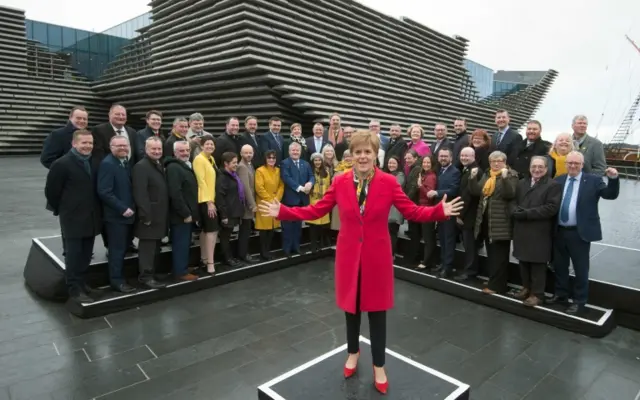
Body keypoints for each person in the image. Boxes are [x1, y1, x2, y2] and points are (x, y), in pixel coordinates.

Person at [258, 130, 463, 394]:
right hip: (348, 257)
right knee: (351, 311)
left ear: (375, 154)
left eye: (367, 151)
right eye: (358, 152)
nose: (363, 156)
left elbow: (411, 211)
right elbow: (317, 209)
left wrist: (438, 211)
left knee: (377, 314)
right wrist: (284, 211)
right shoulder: (341, 181)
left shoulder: (389, 182)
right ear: (352, 155)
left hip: (377, 258)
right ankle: (352, 353)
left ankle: (379, 365)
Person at [550, 151, 619, 315]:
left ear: (582, 165)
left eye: (577, 163)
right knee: (560, 266)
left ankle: (579, 301)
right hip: (559, 231)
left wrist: (614, 179)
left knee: (581, 269)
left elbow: (610, 195)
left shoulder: (594, 181)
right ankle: (561, 295)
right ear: (566, 164)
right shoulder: (558, 180)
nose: (573, 166)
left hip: (579, 234)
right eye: (570, 163)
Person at [45, 129, 101, 303]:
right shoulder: (61, 164)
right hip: (72, 219)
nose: (87, 146)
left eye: (90, 143)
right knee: (73, 256)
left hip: (90, 217)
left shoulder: (94, 162)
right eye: (84, 143)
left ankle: (83, 283)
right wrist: (65, 209)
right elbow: (52, 192)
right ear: (74, 143)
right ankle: (74, 289)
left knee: (86, 254)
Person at [512, 156, 562, 306]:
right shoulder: (521, 183)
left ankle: (537, 294)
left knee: (538, 264)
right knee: (523, 260)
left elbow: (551, 208)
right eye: (534, 166)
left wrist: (526, 213)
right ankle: (526, 288)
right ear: (529, 168)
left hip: (539, 230)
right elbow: (513, 201)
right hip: (521, 228)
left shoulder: (553, 186)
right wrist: (514, 211)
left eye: (540, 167)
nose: (537, 169)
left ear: (546, 169)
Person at [468, 150, 519, 294]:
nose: (496, 164)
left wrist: (504, 179)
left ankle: (497, 286)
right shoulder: (487, 174)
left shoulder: (511, 174)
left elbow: (509, 194)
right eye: (493, 161)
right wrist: (472, 179)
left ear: (505, 162)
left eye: (499, 161)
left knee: (499, 256)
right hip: (486, 221)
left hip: (500, 222)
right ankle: (494, 280)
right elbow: (477, 192)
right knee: (492, 255)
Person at [97, 135, 136, 293]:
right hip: (116, 217)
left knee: (123, 248)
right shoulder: (108, 164)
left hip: (128, 215)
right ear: (111, 147)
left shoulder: (125, 162)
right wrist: (122, 208)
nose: (122, 148)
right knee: (117, 250)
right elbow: (104, 191)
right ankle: (116, 281)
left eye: (125, 146)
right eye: (118, 146)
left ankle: (121, 277)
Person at [132, 137, 168, 289]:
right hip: (149, 216)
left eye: (159, 149)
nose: (157, 151)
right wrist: (145, 216)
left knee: (156, 247)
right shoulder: (141, 166)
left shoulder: (158, 164)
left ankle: (152, 272)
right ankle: (145, 276)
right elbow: (140, 194)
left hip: (160, 215)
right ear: (146, 150)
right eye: (153, 149)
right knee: (147, 248)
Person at [165, 141, 200, 281]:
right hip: (181, 216)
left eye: (187, 150)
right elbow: (175, 193)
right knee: (180, 243)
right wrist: (185, 213)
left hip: (187, 214)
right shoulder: (174, 167)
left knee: (185, 242)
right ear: (174, 153)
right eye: (181, 151)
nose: (185, 153)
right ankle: (180, 272)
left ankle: (183, 266)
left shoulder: (183, 166)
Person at [280, 142, 314, 256]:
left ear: (300, 151)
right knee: (288, 227)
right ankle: (287, 249)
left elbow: (311, 176)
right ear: (289, 151)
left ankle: (296, 247)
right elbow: (286, 178)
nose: (295, 152)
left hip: (301, 200)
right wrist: (300, 188)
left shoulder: (306, 164)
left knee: (298, 226)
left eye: (297, 150)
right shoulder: (285, 163)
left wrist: (310, 183)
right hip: (289, 200)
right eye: (293, 150)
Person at [193, 136, 219, 274]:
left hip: (212, 199)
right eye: (207, 144)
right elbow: (201, 181)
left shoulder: (211, 159)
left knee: (206, 231)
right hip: (205, 201)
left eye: (212, 144)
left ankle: (204, 258)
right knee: (211, 231)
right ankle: (210, 263)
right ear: (202, 146)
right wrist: (209, 202)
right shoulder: (199, 159)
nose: (210, 146)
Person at [215, 151, 246, 268]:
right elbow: (220, 197)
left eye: (236, 162)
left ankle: (229, 258)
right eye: (233, 163)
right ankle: (227, 259)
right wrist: (223, 216)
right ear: (226, 163)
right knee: (225, 238)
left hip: (234, 211)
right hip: (227, 213)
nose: (236, 165)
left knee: (227, 237)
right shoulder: (222, 177)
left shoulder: (233, 175)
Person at [254, 150, 284, 260]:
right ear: (265, 159)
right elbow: (259, 188)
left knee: (272, 229)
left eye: (273, 158)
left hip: (275, 202)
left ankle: (268, 251)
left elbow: (281, 185)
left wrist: (276, 199)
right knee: (264, 230)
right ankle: (263, 252)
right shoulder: (260, 171)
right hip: (264, 203)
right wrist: (270, 200)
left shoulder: (278, 170)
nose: (271, 160)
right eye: (269, 158)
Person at [306, 153, 331, 252]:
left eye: (319, 160)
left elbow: (329, 186)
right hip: (313, 200)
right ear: (312, 161)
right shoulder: (309, 172)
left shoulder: (326, 172)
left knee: (322, 224)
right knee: (313, 225)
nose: (317, 162)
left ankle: (321, 244)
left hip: (323, 201)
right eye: (315, 160)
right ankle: (313, 244)